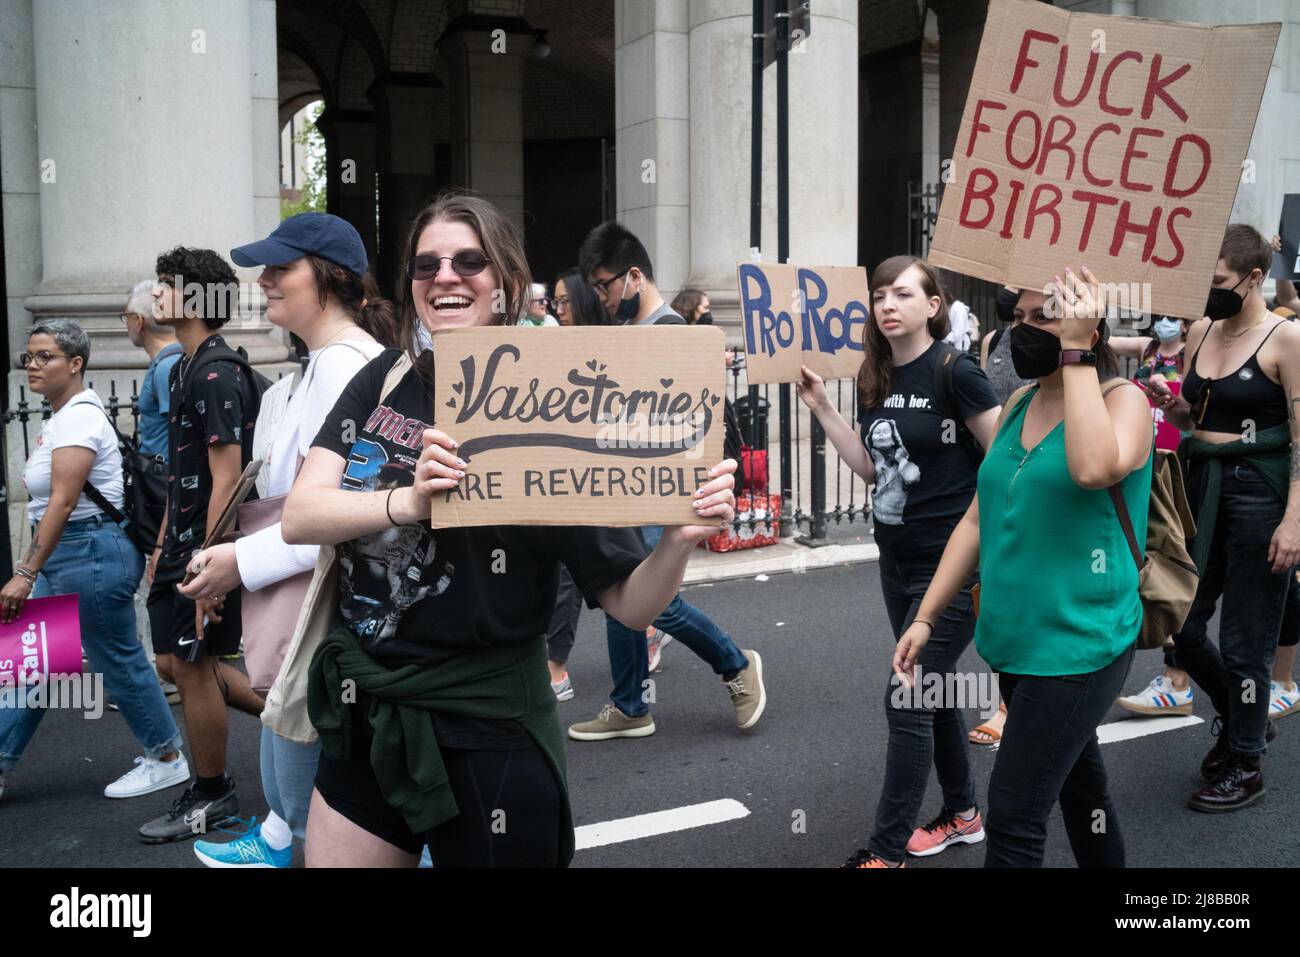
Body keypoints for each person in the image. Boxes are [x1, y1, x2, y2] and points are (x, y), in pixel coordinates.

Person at [277, 193, 737, 867]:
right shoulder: (384, 378)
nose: (445, 276)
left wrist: (675, 540)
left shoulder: (565, 398)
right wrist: (407, 501)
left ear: (507, 285)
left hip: (490, 730)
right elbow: (300, 514)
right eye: (426, 264)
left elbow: (630, 603)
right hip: (371, 715)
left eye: (469, 260)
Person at [898, 267, 1154, 867]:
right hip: (1012, 643)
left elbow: (1093, 470)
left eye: (1046, 317)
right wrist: (927, 618)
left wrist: (1076, 353)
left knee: (1014, 815)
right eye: (1020, 319)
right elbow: (977, 522)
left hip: (1079, 647)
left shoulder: (1127, 404)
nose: (1024, 331)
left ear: (1086, 327)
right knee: (1079, 789)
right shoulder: (1017, 402)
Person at [179, 214, 397, 868]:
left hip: (330, 620)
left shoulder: (346, 368)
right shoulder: (319, 368)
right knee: (291, 798)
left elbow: (350, 515)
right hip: (299, 613)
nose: (264, 280)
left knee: (316, 810)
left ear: (330, 279)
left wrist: (238, 563)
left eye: (281, 268)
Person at [799, 256, 1001, 868]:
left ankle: (884, 850)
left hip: (952, 567)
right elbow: (871, 468)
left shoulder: (956, 371)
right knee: (932, 689)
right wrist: (822, 408)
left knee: (907, 695)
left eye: (904, 293)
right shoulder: (875, 374)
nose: (888, 304)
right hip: (896, 562)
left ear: (933, 305)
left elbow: (1002, 465)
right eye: (880, 295)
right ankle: (964, 815)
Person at [567, 221, 763, 742]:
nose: (603, 298)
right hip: (629, 485)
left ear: (635, 277)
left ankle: (736, 664)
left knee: (653, 599)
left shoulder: (674, 333)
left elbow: (687, 427)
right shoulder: (630, 336)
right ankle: (630, 705)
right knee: (619, 589)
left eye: (606, 286)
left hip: (666, 489)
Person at [0, 320, 186, 802]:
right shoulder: (60, 417)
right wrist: (33, 562)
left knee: (117, 658)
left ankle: (167, 757)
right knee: (29, 664)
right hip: (70, 552)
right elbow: (48, 510)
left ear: (75, 363)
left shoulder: (80, 416)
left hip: (92, 553)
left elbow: (63, 501)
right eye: (30, 356)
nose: (33, 365)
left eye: (46, 357)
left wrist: (24, 572)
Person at [1148, 224, 1300, 812]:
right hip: (1200, 486)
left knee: (1244, 640)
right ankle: (1247, 721)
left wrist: (1294, 521)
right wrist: (1175, 404)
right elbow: (1196, 419)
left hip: (1260, 492)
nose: (1208, 294)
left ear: (1255, 277)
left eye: (1217, 282)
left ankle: (1245, 762)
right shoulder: (1200, 329)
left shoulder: (1286, 339)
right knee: (1179, 624)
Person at [136, 247, 265, 844]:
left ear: (195, 299)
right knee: (175, 662)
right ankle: (292, 715)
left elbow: (226, 480)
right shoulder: (186, 367)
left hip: (204, 549)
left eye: (165, 285)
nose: (154, 294)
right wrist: (163, 547)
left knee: (191, 667)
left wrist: (209, 563)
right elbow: (180, 469)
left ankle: (212, 793)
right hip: (181, 544)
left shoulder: (216, 372)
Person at [1111, 315, 1198, 717]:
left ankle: (1176, 676)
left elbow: (1192, 413)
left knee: (1171, 559)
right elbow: (1106, 342)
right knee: (1144, 556)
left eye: (1172, 318)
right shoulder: (1146, 349)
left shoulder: (1190, 354)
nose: (1164, 323)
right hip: (1143, 470)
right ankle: (1174, 673)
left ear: (1185, 325)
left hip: (1175, 470)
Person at [545, 268, 615, 702]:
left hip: (600, 477)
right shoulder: (553, 345)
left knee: (577, 577)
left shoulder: (610, 347)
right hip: (561, 473)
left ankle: (556, 669)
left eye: (565, 302)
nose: (558, 310)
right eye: (555, 303)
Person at [123, 280, 183, 461]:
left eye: (126, 317)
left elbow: (181, 433)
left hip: (163, 480)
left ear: (138, 321)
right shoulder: (170, 361)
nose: (126, 324)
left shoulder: (166, 367)